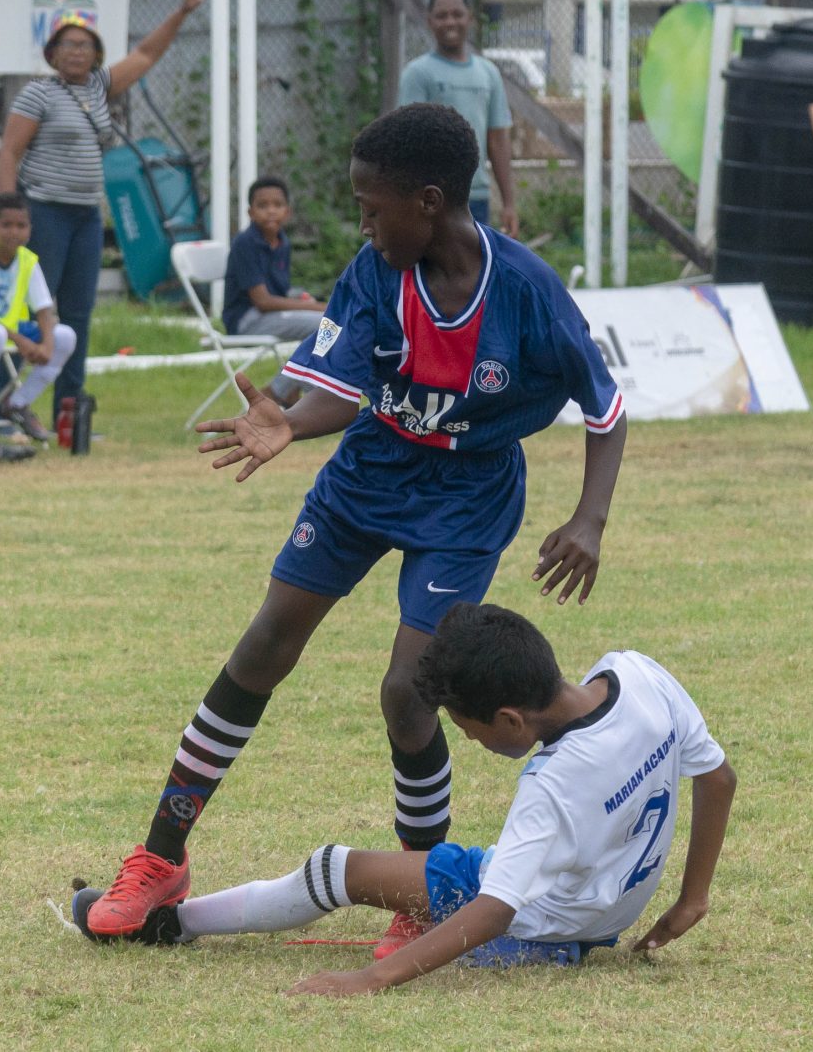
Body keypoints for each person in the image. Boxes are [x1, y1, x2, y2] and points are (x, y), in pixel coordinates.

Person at [84, 103, 627, 955]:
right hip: (368, 475)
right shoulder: (375, 274)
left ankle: (423, 890)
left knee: (409, 691)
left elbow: (606, 404)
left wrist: (589, 518)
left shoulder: (524, 289)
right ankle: (159, 859)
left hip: (469, 498)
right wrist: (291, 424)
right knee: (264, 644)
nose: (365, 227)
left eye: (376, 210)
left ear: (431, 201)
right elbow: (340, 384)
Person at [75, 603, 737, 1000]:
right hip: (604, 910)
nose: (469, 739)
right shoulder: (639, 674)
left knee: (338, 869)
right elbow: (718, 779)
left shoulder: (553, 784)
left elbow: (495, 911)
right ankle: (174, 922)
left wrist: (371, 985)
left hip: (547, 929)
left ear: (509, 720)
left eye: (466, 728)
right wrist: (692, 898)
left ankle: (170, 925)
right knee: (439, 876)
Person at [0, 0, 205, 421]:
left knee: (78, 311)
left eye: (86, 45)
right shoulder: (39, 93)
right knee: (30, 308)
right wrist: (8, 209)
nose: (77, 51)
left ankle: (68, 412)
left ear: (96, 54)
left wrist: (181, 13)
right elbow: (9, 151)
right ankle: (8, 401)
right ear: (52, 54)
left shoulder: (97, 88)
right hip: (44, 212)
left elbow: (147, 54)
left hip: (86, 217)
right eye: (68, 44)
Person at [399, 0, 519, 237]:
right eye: (442, 16)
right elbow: (407, 142)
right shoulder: (417, 73)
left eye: (457, 14)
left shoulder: (488, 73)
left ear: (470, 18)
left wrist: (508, 203)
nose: (450, 21)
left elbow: (497, 140)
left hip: (475, 196)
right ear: (430, 22)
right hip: (432, 198)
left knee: (474, 273)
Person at [222, 175, 328, 406]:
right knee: (324, 323)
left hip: (270, 316)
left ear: (287, 212)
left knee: (325, 325)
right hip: (246, 321)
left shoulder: (283, 242)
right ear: (250, 212)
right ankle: (280, 391)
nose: (271, 211)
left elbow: (280, 291)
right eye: (263, 205)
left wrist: (301, 298)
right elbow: (262, 301)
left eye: (277, 205)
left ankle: (298, 394)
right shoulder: (246, 243)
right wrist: (313, 307)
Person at [0, 192, 77, 442]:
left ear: (30, 229)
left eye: (21, 225)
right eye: (6, 225)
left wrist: (46, 345)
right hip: (6, 334)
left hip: (12, 332)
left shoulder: (27, 261)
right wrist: (22, 341)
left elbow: (44, 309)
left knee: (65, 336)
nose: (14, 232)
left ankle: (16, 405)